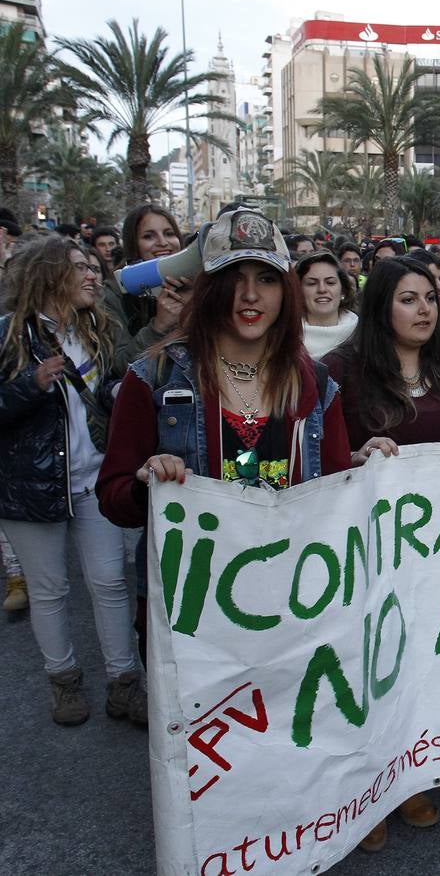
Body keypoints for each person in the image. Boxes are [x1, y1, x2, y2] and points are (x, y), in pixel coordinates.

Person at [95, 208, 366, 666]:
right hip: (192, 611)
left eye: (266, 278)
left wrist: (368, 471)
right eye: (232, 277)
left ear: (286, 290)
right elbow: (112, 495)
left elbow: (334, 489)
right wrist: (145, 483)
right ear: (209, 287)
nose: (249, 295)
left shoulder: (316, 385)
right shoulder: (155, 380)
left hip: (295, 604)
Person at [324, 254, 440, 852]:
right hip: (367, 551)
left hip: (435, 552)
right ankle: (360, 791)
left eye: (429, 297)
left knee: (418, 665)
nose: (424, 309)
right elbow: (317, 459)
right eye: (408, 298)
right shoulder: (339, 372)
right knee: (368, 668)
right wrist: (352, 457)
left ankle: (407, 777)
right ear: (380, 307)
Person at [0, 236, 145, 727]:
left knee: (109, 583)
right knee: (50, 590)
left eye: (92, 267)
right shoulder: (9, 335)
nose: (92, 276)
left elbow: (96, 393)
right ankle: (63, 682)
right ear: (47, 275)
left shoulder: (92, 330)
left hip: (92, 477)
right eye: (80, 267)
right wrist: (29, 387)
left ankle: (124, 684)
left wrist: (117, 389)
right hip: (32, 485)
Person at [100, 204, 187, 374]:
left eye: (169, 234)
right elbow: (120, 366)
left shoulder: (197, 282)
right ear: (133, 244)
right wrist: (158, 327)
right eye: (149, 236)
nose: (163, 243)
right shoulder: (114, 294)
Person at [298, 250, 359, 359]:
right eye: (312, 283)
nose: (322, 289)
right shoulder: (281, 338)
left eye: (330, 282)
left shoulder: (363, 335)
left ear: (343, 290)